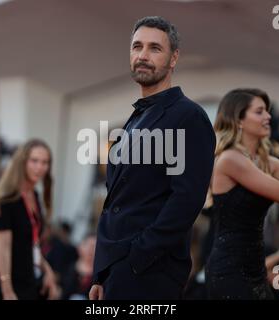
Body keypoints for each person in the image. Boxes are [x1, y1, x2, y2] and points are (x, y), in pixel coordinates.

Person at [89, 16, 215, 300]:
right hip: (116, 270)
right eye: (137, 47)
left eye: (154, 48)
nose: (142, 55)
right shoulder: (133, 120)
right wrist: (103, 272)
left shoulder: (189, 116)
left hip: (150, 271)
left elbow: (186, 200)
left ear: (174, 58)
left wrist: (137, 258)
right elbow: (115, 204)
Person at [204, 88, 279, 300]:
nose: (269, 116)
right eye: (260, 111)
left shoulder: (266, 162)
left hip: (256, 266)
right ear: (239, 120)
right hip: (229, 269)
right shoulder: (230, 160)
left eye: (267, 111)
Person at [0, 139, 60, 300]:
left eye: (45, 162)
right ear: (22, 162)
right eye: (34, 161)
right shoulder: (8, 200)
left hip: (28, 278)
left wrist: (48, 271)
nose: (40, 167)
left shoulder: (35, 196)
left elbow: (32, 245)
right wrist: (7, 290)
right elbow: (3, 249)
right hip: (6, 281)